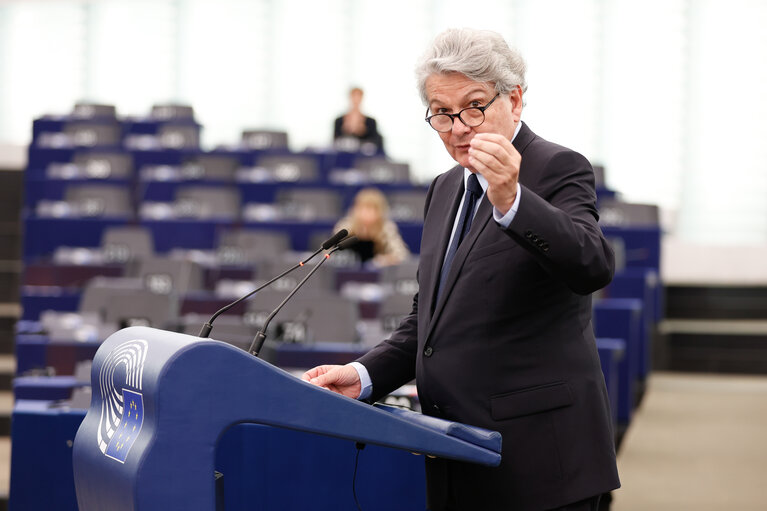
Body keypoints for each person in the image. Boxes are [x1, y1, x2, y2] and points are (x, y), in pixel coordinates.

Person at [304, 28, 620, 510]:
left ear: (514, 100)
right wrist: (362, 374)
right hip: (456, 453)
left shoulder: (557, 167)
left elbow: (592, 265)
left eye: (475, 106)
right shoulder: (445, 188)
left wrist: (513, 200)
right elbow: (427, 324)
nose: (459, 127)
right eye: (442, 113)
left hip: (540, 461)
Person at [333, 187, 411, 266]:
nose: (366, 212)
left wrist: (385, 260)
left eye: (371, 208)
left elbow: (402, 255)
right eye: (363, 208)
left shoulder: (387, 228)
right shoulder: (345, 227)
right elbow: (330, 253)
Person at [333, 87, 384, 151]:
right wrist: (346, 130)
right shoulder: (339, 121)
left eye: (358, 97)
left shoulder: (371, 122)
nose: (356, 100)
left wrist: (363, 131)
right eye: (354, 96)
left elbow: (375, 144)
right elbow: (334, 143)